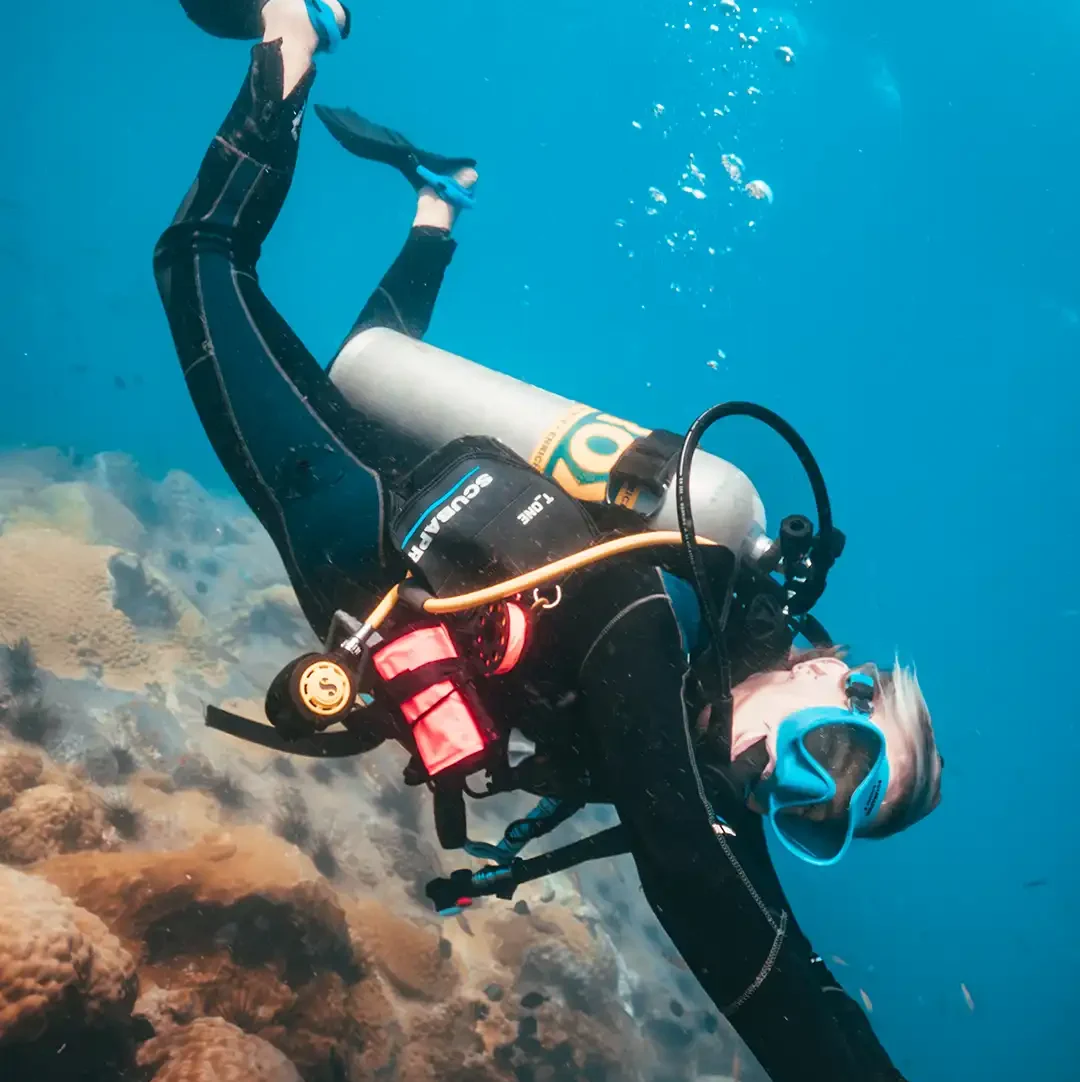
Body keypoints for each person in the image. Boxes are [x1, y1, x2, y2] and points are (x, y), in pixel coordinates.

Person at [155, 4, 943, 1080]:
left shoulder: (711, 741)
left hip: (408, 522)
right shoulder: (649, 622)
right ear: (823, 667)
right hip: (363, 523)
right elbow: (708, 901)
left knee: (361, 358)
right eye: (835, 754)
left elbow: (769, 931)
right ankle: (287, 30)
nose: (783, 782)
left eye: (815, 817)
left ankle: (438, 207)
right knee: (199, 258)